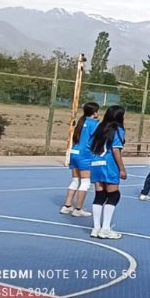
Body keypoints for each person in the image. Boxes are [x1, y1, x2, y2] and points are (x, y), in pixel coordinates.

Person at [88, 106, 128, 239]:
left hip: (96, 162)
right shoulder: (118, 130)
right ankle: (105, 229)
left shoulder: (100, 127)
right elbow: (116, 150)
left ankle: (96, 228)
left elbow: (91, 145)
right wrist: (121, 168)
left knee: (100, 195)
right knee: (113, 195)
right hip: (109, 164)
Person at [61, 102, 100, 217]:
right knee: (85, 182)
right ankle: (78, 208)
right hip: (85, 155)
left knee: (75, 180)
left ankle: (67, 206)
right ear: (95, 112)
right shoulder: (94, 124)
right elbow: (97, 140)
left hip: (74, 152)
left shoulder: (81, 122)